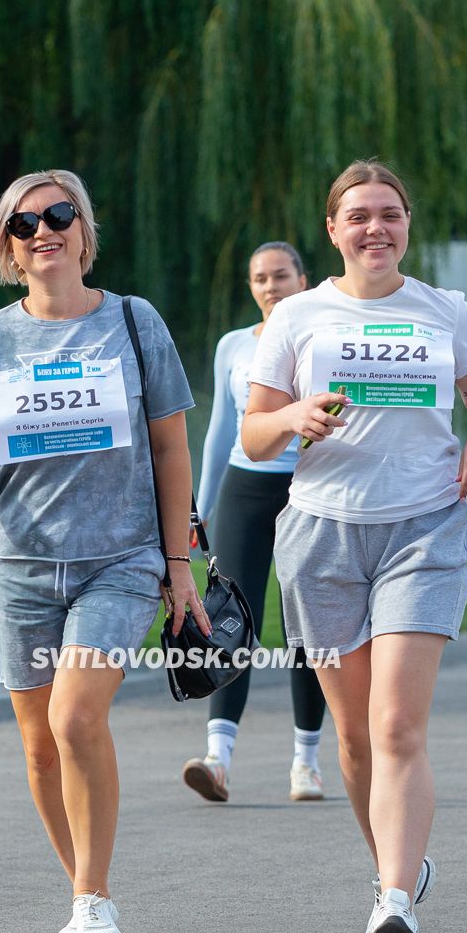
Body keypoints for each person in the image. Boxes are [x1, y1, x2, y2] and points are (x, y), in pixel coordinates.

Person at [0, 169, 208, 933]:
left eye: (60, 215)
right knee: (38, 743)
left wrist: (177, 564)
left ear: (83, 230)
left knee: (75, 717)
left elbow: (172, 449)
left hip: (121, 561)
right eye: (26, 223)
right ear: (8, 243)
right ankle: (83, 890)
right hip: (23, 568)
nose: (46, 231)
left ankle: (94, 899)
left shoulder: (134, 323)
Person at [242, 159, 467, 933]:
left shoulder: (447, 312)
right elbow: (253, 437)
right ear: (333, 229)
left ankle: (394, 902)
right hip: (322, 534)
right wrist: (292, 413)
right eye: (358, 216)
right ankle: (396, 865)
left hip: (424, 528)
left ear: (406, 224)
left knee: (397, 726)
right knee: (355, 739)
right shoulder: (297, 315)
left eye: (389, 214)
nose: (375, 228)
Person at [181, 242, 327, 805]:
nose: (271, 286)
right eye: (261, 278)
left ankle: (306, 763)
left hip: (308, 488)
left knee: (306, 627)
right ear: (252, 287)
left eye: (281, 276)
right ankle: (217, 760)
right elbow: (222, 429)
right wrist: (201, 510)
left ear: (303, 280)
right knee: (230, 616)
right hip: (244, 488)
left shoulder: (324, 338)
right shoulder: (233, 346)